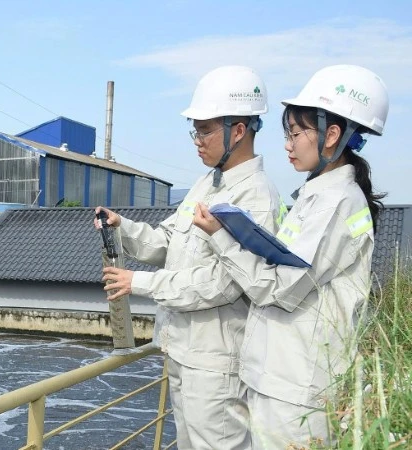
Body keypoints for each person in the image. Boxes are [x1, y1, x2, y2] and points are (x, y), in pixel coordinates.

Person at [193, 64, 389, 449]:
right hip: (279, 378)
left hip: (296, 388)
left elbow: (281, 289)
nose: (287, 144)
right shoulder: (319, 195)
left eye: (296, 133)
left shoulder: (335, 204)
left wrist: (223, 239)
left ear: (332, 135)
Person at [96, 66, 283, 450]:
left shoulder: (256, 197)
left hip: (216, 362)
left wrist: (140, 282)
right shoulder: (207, 183)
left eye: (205, 130)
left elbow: (222, 284)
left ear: (238, 130)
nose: (197, 141)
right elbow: (168, 240)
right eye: (195, 130)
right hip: (183, 350)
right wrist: (122, 227)